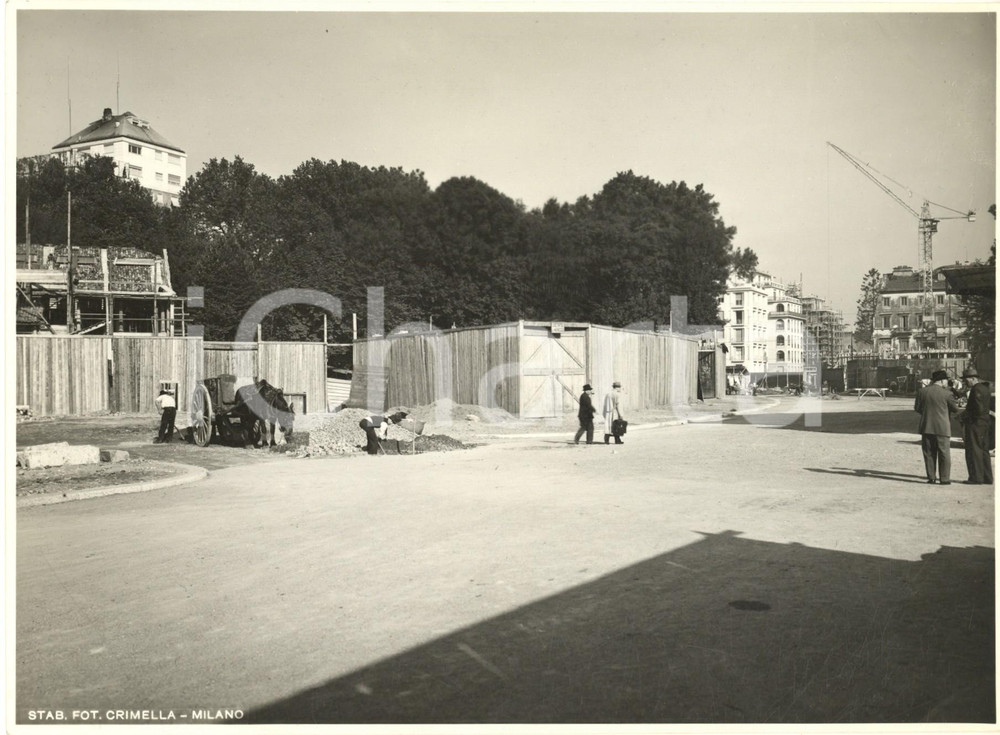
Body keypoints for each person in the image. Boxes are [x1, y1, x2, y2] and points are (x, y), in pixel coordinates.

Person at [914, 369, 960, 485]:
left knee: (929, 453)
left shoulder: (922, 392)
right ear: (942, 380)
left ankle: (931, 477)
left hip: (926, 427)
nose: (947, 382)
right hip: (942, 428)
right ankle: (944, 479)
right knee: (944, 453)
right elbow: (955, 409)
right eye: (946, 380)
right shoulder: (947, 394)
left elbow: (917, 408)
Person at [959, 366, 994, 485]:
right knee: (984, 450)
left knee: (974, 450)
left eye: (966, 379)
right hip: (985, 423)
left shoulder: (976, 389)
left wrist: (965, 416)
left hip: (975, 424)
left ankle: (976, 478)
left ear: (973, 378)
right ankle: (987, 477)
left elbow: (978, 408)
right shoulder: (985, 388)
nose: (965, 382)